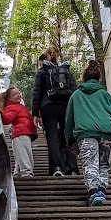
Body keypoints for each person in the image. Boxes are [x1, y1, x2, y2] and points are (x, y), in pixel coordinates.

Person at [65, 59, 111, 206]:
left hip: (86, 133)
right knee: (103, 163)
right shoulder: (105, 94)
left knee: (90, 162)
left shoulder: (76, 95)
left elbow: (69, 121)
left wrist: (70, 141)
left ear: (83, 78)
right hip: (105, 132)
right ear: (98, 78)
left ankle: (94, 192)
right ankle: (101, 188)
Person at [31, 45, 78, 177]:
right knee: (67, 136)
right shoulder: (66, 71)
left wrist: (35, 113)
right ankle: (72, 167)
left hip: (48, 106)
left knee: (52, 137)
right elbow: (75, 91)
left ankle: (56, 167)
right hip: (66, 106)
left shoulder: (42, 72)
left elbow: (37, 93)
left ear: (46, 57)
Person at [0, 86, 37, 177]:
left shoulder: (18, 106)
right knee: (24, 152)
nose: (18, 95)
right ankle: (26, 172)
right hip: (21, 132)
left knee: (20, 152)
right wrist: (0, 113)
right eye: (15, 94)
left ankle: (18, 171)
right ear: (9, 98)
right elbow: (8, 119)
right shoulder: (12, 107)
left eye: (19, 93)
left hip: (23, 132)